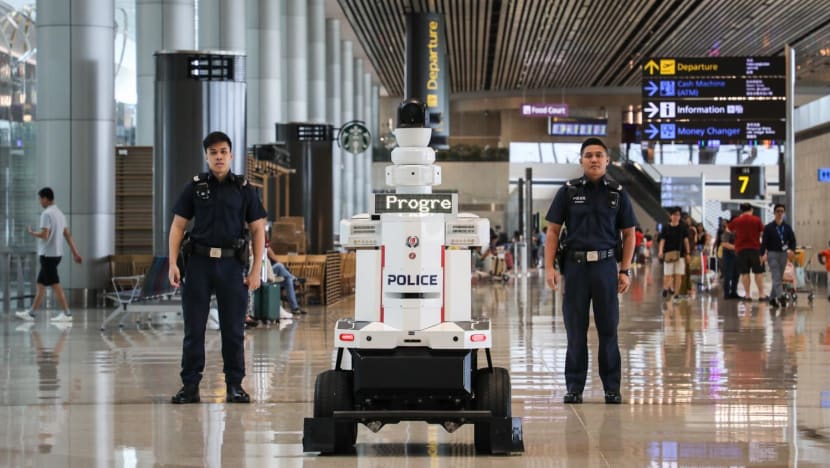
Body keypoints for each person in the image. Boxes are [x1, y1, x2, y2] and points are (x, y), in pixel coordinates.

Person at [167, 131, 267, 404]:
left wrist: (256, 269)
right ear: (207, 157)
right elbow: (178, 226)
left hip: (231, 265)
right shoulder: (196, 187)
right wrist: (173, 263)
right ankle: (190, 386)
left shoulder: (245, 189)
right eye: (213, 153)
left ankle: (235, 385)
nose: (219, 156)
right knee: (194, 329)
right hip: (198, 264)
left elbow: (258, 230)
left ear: (231, 155)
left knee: (234, 329)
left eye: (223, 151)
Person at [544, 137, 637, 405]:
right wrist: (550, 267)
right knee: (575, 331)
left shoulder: (618, 193)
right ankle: (574, 387)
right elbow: (553, 231)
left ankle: (611, 388)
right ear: (581, 160)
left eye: (599, 155)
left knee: (609, 330)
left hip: (606, 269)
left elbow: (629, 234)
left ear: (608, 160)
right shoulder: (568, 192)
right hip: (575, 269)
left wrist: (625, 270)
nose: (594, 159)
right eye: (588, 155)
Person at [15, 187, 83, 322]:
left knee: (55, 284)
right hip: (57, 254)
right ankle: (31, 313)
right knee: (41, 284)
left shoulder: (46, 214)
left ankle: (67, 314)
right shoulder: (60, 214)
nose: (40, 202)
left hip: (47, 255)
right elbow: (67, 235)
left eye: (40, 199)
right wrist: (76, 253)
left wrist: (32, 232)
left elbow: (45, 235)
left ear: (46, 198)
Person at [760, 204, 796, 307]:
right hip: (772, 254)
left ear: (783, 213)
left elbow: (792, 240)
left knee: (778, 278)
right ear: (774, 213)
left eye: (781, 211)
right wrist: (762, 254)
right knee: (776, 275)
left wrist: (792, 250)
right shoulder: (768, 227)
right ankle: (781, 297)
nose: (780, 213)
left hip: (783, 255)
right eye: (778, 211)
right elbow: (764, 242)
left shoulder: (787, 227)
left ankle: (771, 298)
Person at [728, 203, 765, 301]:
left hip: (741, 250)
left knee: (745, 273)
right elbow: (762, 232)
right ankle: (761, 295)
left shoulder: (737, 220)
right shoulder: (757, 220)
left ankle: (747, 295)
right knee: (758, 272)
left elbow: (728, 229)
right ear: (751, 210)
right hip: (755, 249)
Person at [657, 207, 690, 300]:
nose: (676, 217)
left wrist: (688, 253)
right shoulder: (665, 227)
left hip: (681, 254)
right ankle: (665, 288)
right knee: (668, 274)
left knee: (678, 274)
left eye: (678, 215)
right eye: (674, 215)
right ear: (671, 216)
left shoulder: (683, 227)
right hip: (668, 254)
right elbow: (662, 240)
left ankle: (676, 294)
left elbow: (686, 240)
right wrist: (660, 251)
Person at [266, 244, 306, 315]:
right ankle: (294, 278)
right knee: (280, 266)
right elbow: (272, 255)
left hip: (268, 270)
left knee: (288, 280)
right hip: (263, 271)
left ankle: (295, 308)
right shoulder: (262, 242)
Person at [720, 217, 740, 299]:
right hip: (728, 255)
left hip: (738, 255)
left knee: (736, 274)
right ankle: (727, 293)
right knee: (728, 275)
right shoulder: (728, 230)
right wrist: (738, 247)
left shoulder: (739, 230)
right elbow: (724, 244)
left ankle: (734, 292)